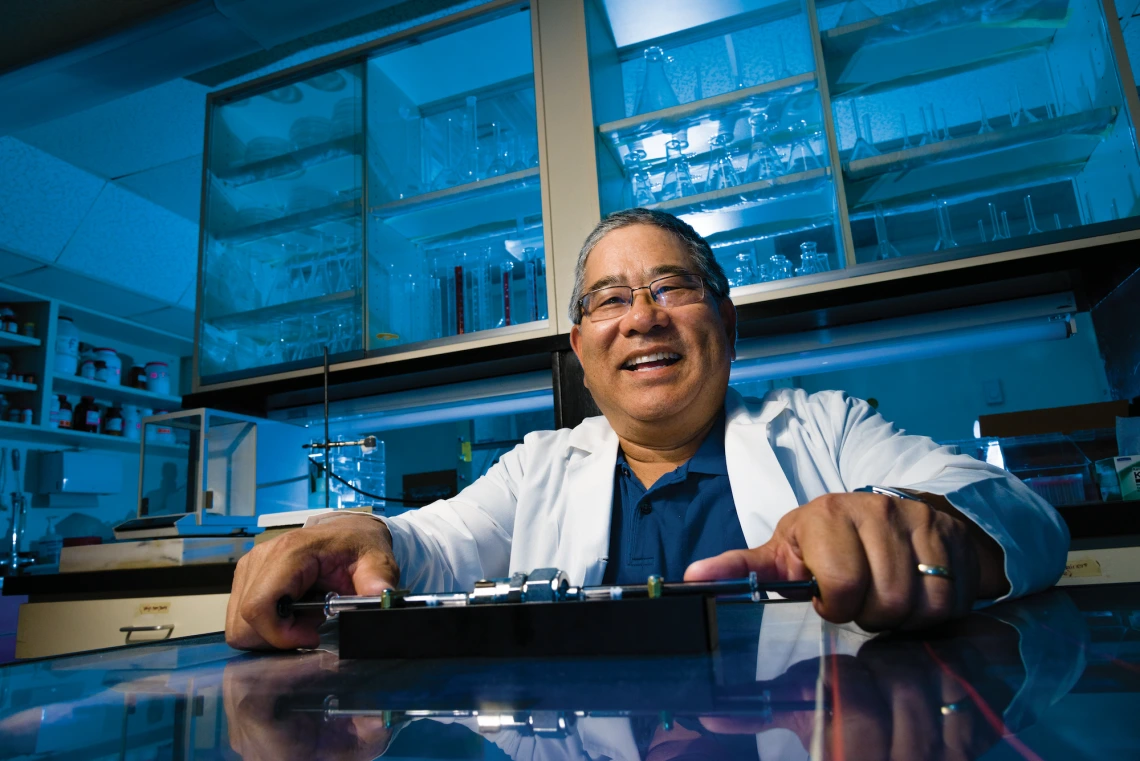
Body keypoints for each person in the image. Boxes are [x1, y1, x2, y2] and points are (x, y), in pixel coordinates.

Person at [225, 208, 1069, 651]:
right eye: (609, 300)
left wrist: (926, 526)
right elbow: (432, 544)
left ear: (729, 326)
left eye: (674, 287)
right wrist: (361, 532)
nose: (642, 318)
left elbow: (1016, 510)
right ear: (582, 357)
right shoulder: (538, 466)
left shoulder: (823, 430)